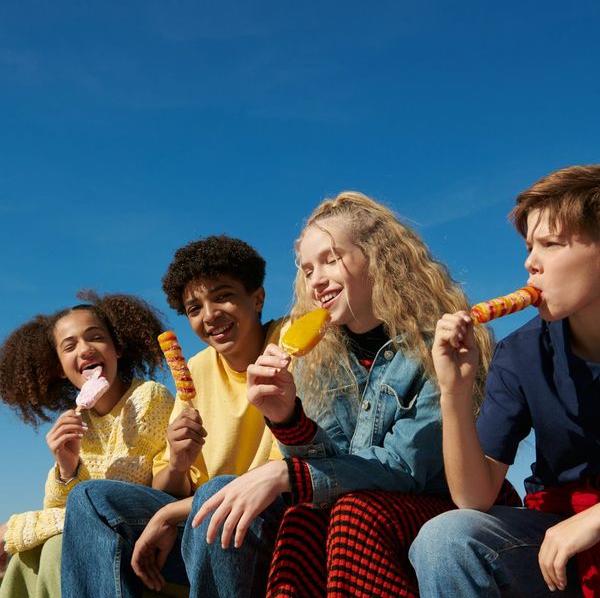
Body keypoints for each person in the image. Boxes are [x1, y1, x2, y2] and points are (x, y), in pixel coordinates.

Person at [190, 191, 514, 598]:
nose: (317, 280)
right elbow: (335, 462)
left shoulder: (441, 344)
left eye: (331, 259)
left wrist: (284, 473)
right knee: (302, 519)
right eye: (308, 269)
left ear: (379, 259)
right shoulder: (320, 357)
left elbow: (408, 466)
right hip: (364, 504)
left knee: (354, 512)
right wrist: (288, 420)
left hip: (446, 503)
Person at [409, 164, 600, 597]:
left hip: (584, 526)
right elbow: (474, 500)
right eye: (530, 246)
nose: (529, 262)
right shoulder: (520, 352)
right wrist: (454, 392)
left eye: (550, 244)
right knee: (447, 539)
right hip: (555, 540)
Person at [61, 236, 284, 598]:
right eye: (194, 308)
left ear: (257, 298)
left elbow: (277, 476)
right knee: (90, 499)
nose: (209, 315)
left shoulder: (286, 345)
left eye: (223, 295)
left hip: (270, 518)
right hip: (201, 520)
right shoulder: (194, 372)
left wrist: (168, 515)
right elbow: (167, 488)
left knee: (217, 492)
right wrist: (179, 463)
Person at [0, 290, 174, 598]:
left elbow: (107, 502)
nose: (85, 349)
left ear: (117, 348)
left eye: (95, 337)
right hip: (99, 537)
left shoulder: (147, 398)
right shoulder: (80, 422)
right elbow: (59, 511)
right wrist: (67, 468)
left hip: (146, 531)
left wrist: (13, 530)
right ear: (59, 368)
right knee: (33, 555)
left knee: (55, 547)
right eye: (70, 346)